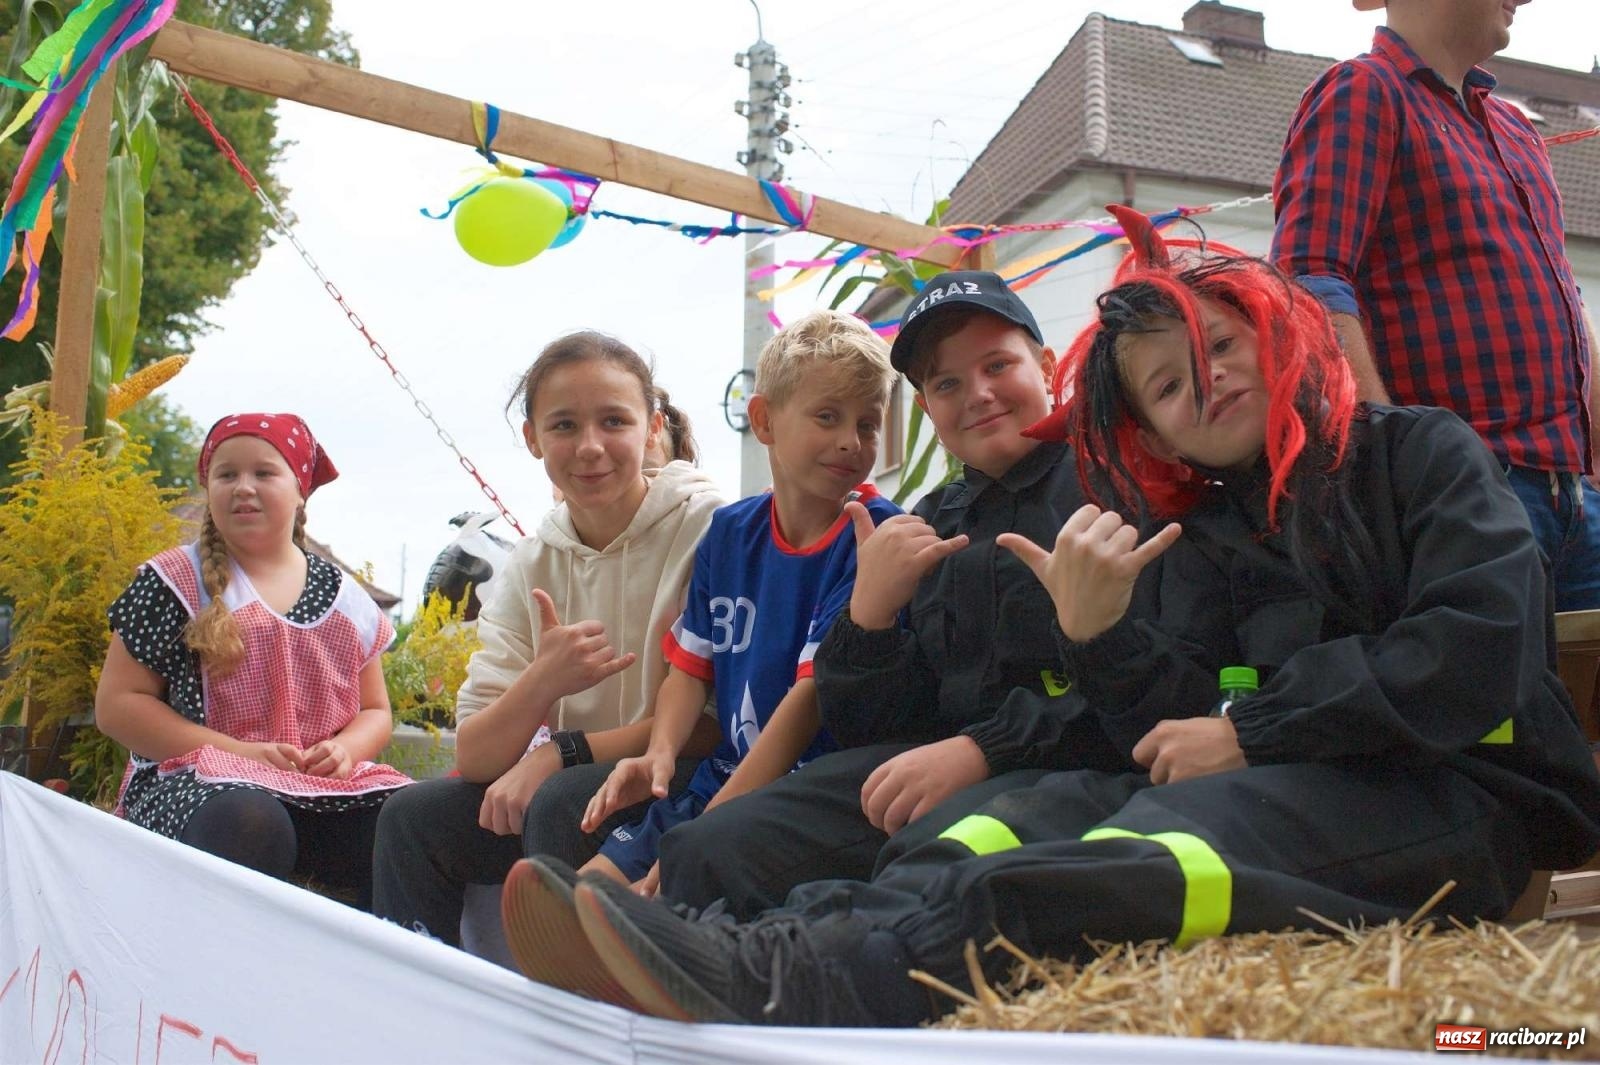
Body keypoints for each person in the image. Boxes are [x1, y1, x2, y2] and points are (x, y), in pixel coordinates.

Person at [498, 206, 1600, 1027]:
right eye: (1167, 385)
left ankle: (810, 981)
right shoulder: (1193, 527)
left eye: (1219, 349)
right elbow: (1168, 726)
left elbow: (1476, 655)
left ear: (1279, 335)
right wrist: (1059, 630)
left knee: (1110, 848)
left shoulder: (1411, 452)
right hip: (1281, 776)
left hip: (1470, 788)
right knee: (972, 836)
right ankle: (744, 948)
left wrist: (1220, 717)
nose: (1202, 384)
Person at [653, 271, 1128, 918]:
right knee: (705, 848)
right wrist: (868, 622)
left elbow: (1145, 688)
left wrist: (982, 748)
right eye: (947, 383)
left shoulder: (1112, 486)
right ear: (929, 409)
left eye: (998, 365)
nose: (979, 394)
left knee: (923, 867)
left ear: (1047, 366)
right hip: (934, 763)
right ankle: (678, 970)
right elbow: (879, 719)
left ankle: (764, 962)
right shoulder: (928, 522)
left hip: (1064, 773)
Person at [500, 310, 898, 996]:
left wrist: (701, 830)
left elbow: (806, 704)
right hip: (724, 767)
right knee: (589, 891)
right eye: (828, 416)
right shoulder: (731, 530)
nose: (852, 442)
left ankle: (646, 985)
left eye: (868, 422)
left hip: (808, 779)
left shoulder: (874, 534)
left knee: (667, 878)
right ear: (765, 421)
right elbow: (691, 663)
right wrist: (657, 752)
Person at [370, 331, 724, 945]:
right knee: (411, 816)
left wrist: (563, 750)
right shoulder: (531, 563)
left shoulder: (712, 528)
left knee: (563, 799)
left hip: (689, 784)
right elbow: (476, 756)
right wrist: (543, 682)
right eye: (563, 426)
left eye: (614, 420)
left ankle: (570, 1017)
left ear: (651, 427)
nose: (589, 447)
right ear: (533, 438)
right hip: (579, 782)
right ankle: (418, 1009)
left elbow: (724, 721)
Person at [1271, 0, 1600, 608]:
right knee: (1499, 697)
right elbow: (1309, 281)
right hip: (1468, 491)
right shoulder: (1363, 91)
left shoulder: (1518, 131)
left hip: (1575, 496)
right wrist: (1394, 465)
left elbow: (1565, 300)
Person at [96, 413, 409, 909]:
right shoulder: (174, 582)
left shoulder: (345, 598)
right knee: (248, 822)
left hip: (316, 789)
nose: (244, 487)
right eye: (227, 474)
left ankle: (383, 964)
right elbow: (118, 706)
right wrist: (236, 754)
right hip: (197, 786)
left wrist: (347, 750)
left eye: (264, 473)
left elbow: (375, 710)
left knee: (408, 820)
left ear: (301, 489)